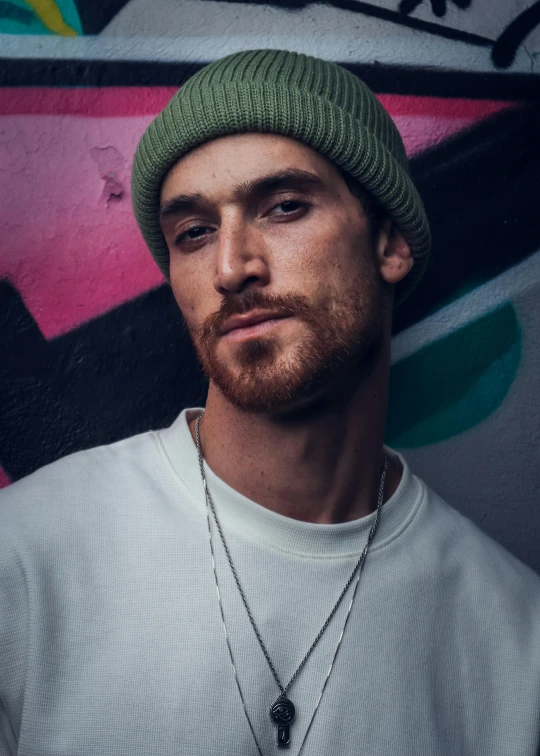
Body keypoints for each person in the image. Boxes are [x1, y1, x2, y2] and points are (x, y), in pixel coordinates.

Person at [1, 49, 539, 756]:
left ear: (390, 241)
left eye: (284, 207)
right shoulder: (26, 554)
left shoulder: (515, 644)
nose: (231, 268)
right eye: (193, 233)